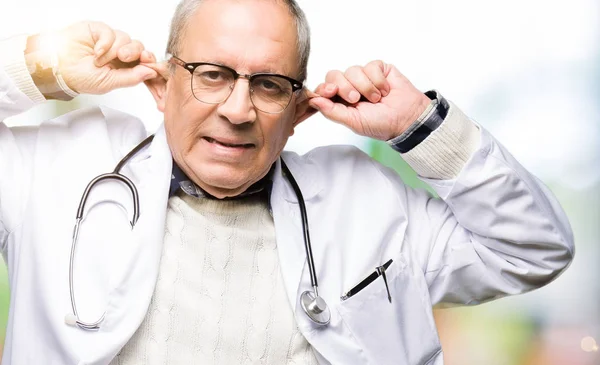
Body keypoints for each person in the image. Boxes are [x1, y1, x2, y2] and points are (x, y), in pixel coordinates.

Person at [0, 0, 574, 364]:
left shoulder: (366, 201)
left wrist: (416, 125)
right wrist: (37, 68)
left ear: (299, 111)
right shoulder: (58, 167)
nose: (238, 108)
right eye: (212, 75)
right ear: (160, 86)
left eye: (270, 84)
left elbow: (532, 245)